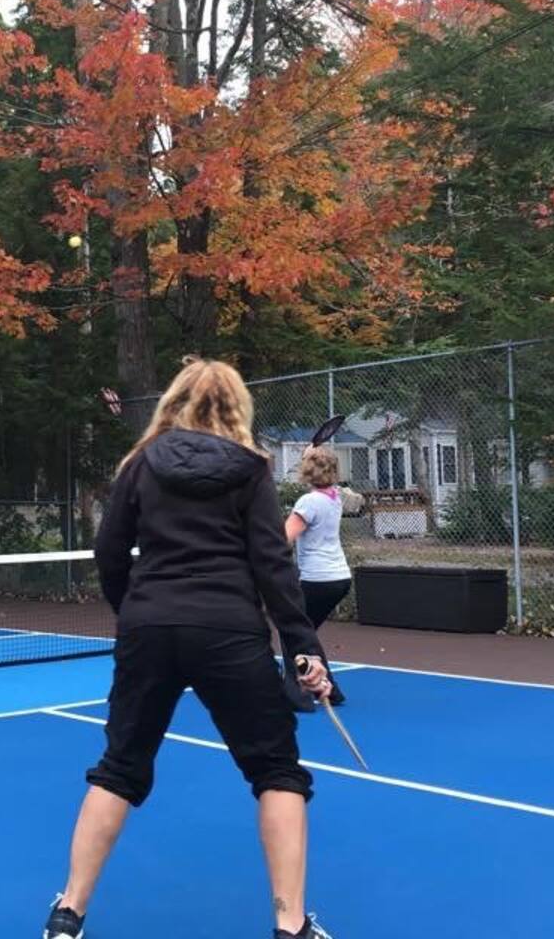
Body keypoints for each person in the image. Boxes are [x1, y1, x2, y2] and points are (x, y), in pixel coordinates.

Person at [43, 358, 335, 939]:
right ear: (237, 407)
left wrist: (134, 612)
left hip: (150, 627)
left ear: (173, 401)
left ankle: (66, 917)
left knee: (118, 769)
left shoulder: (140, 464)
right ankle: (291, 925)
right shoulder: (251, 470)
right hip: (229, 629)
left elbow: (109, 550)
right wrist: (304, 648)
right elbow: (274, 567)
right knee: (277, 771)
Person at [283, 446, 363, 712]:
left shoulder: (308, 502)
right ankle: (331, 691)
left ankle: (298, 697)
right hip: (339, 578)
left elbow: (284, 538)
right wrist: (311, 456)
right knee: (305, 634)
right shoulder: (334, 497)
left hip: (317, 579)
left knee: (293, 635)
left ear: (307, 470)